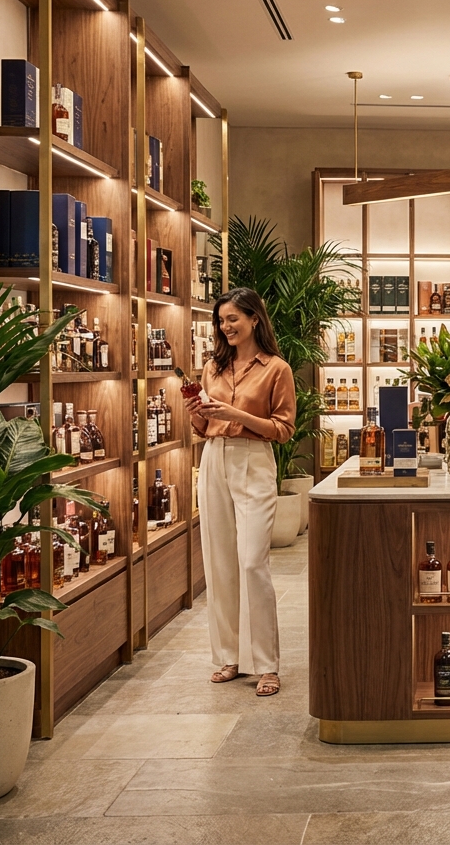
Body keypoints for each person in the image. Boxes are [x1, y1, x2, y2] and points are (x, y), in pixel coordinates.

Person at [187, 287, 296, 697]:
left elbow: (283, 430)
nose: (225, 326)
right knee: (218, 562)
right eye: (220, 320)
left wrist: (235, 413)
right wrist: (197, 416)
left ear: (254, 319)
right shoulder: (213, 367)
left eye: (233, 318)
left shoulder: (276, 369)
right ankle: (228, 657)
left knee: (252, 562)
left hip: (254, 460)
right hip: (213, 458)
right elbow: (202, 428)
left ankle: (267, 664)